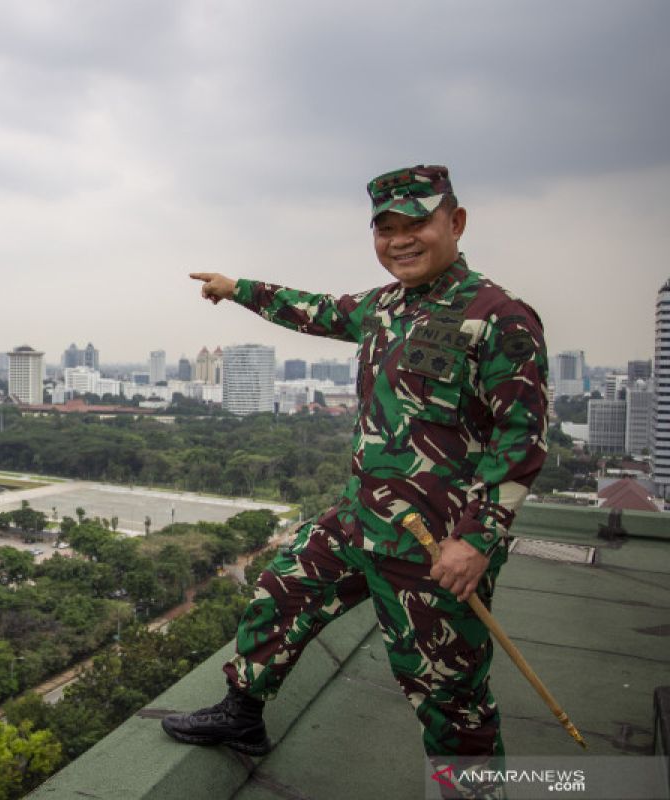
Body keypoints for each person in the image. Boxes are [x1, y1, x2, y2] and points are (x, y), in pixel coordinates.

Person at [161, 165, 549, 760]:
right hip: (360, 521)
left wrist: (475, 540)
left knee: (448, 697)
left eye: (417, 222)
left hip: (434, 547)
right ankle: (242, 714)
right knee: (280, 589)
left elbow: (521, 440)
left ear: (456, 223)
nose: (401, 239)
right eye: (386, 228)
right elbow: (312, 309)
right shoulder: (384, 307)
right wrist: (236, 287)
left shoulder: (499, 317)